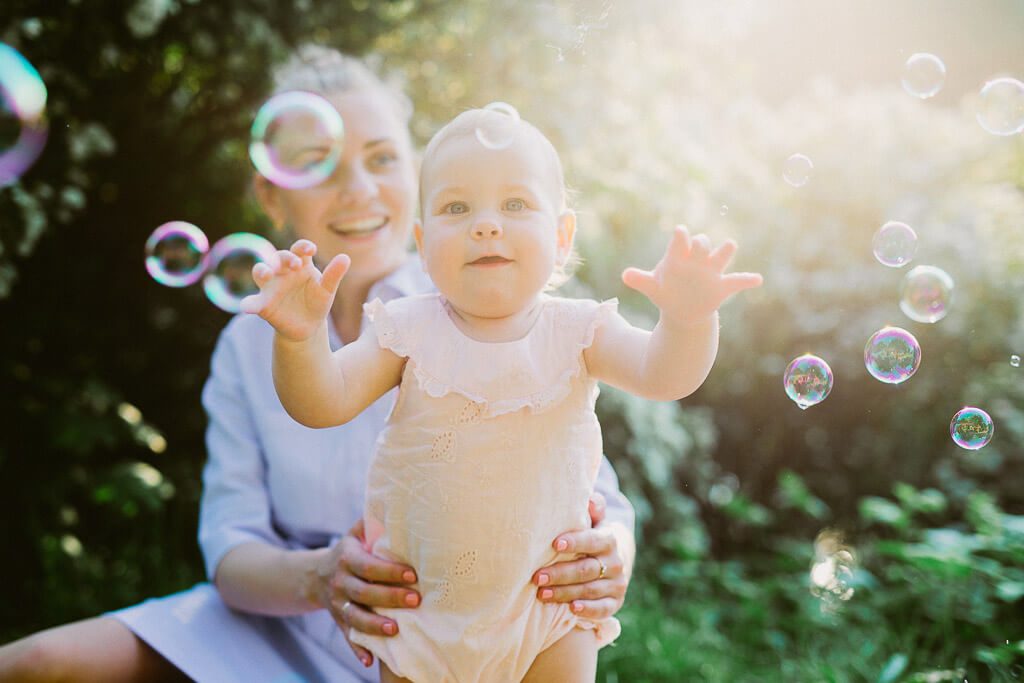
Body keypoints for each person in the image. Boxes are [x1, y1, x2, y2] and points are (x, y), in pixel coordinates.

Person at [0, 46, 636, 683]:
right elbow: (231, 548)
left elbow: (596, 498)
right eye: (318, 165)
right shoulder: (249, 342)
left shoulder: (484, 307)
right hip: (279, 614)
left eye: (382, 159)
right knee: (36, 666)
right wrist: (322, 576)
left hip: (427, 624)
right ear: (272, 196)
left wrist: (612, 552)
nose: (358, 189)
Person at [248, 107, 763, 682]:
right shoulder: (404, 329)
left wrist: (688, 321)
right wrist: (300, 339)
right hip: (422, 614)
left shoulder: (581, 330)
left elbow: (665, 376)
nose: (486, 225)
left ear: (562, 236)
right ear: (423, 242)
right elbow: (321, 404)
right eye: (456, 208)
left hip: (548, 607)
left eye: (515, 204)